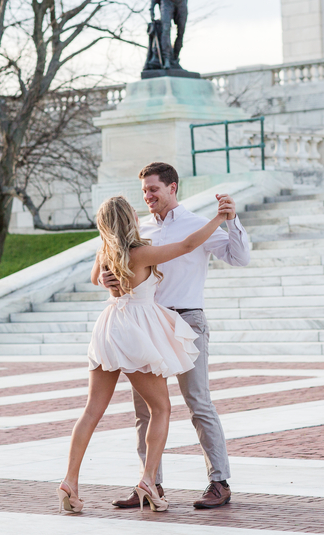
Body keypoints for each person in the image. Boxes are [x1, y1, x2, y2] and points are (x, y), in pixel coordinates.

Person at [58, 195, 229, 514]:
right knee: (161, 408)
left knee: (92, 410)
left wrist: (106, 278)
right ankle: (149, 481)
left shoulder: (105, 252)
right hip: (135, 329)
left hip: (108, 326)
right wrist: (219, 219)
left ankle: (70, 481)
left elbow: (95, 278)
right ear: (130, 219)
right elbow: (188, 245)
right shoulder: (140, 253)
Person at [102, 162, 251, 510]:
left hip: (186, 320)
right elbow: (117, 270)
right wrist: (108, 281)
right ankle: (150, 484)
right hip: (146, 323)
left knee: (198, 401)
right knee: (144, 409)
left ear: (172, 188)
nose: (148, 196)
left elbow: (239, 257)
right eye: (144, 191)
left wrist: (231, 220)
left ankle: (219, 482)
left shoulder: (198, 224)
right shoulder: (138, 231)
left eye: (153, 189)